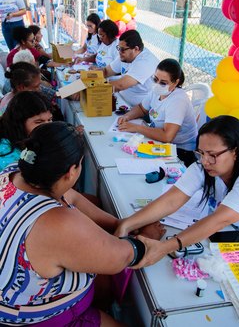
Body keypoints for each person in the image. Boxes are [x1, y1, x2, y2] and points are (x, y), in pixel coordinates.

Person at [0, 121, 147, 326]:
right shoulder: (55, 221)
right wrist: (150, 241)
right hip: (40, 319)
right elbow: (121, 257)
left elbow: (73, 198)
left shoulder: (14, 172)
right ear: (71, 171)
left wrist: (118, 223)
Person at [116, 115, 239, 267]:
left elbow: (221, 219)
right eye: (201, 153)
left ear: (235, 151)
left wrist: (164, 247)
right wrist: (127, 224)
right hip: (238, 231)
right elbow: (173, 199)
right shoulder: (206, 165)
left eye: (213, 155)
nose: (205, 161)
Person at [118, 58, 198, 167]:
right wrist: (127, 116)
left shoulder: (178, 101)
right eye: (155, 79)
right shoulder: (156, 90)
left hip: (180, 151)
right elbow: (142, 108)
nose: (157, 84)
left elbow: (167, 136)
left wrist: (137, 128)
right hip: (162, 143)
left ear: (175, 82)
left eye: (163, 83)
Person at [103, 29, 159, 107]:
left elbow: (120, 85)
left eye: (122, 49)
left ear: (136, 49)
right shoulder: (124, 55)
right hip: (121, 101)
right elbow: (106, 71)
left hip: (139, 110)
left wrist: (88, 90)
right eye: (118, 48)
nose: (119, 52)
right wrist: (81, 84)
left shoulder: (146, 61)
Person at [0, 91, 53, 171]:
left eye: (50, 120)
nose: (48, 126)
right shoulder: (9, 157)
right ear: (19, 123)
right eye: (39, 122)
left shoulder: (26, 138)